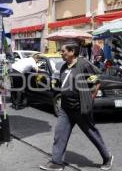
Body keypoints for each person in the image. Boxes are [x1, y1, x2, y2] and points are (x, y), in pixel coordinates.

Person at [39, 42, 113, 171]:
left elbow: (95, 83)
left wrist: (90, 99)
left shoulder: (83, 65)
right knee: (60, 134)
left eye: (63, 51)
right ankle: (56, 162)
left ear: (72, 51)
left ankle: (107, 157)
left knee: (91, 133)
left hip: (80, 108)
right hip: (65, 108)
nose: (61, 53)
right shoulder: (63, 67)